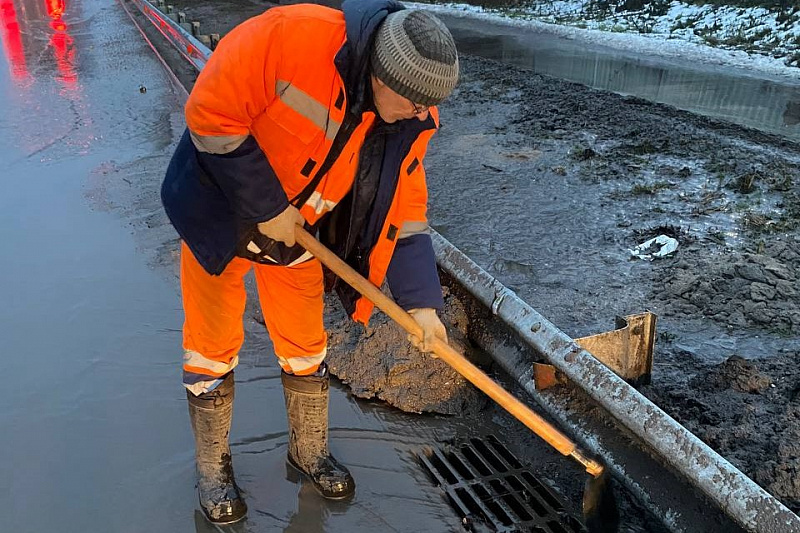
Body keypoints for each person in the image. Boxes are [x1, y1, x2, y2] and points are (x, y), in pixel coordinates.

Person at [161, 0, 459, 524]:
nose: (422, 116)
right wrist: (266, 205)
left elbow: (406, 207)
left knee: (305, 344)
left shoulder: (412, 117)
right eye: (414, 104)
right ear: (381, 76)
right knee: (211, 345)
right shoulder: (289, 39)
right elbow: (211, 111)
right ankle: (213, 468)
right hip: (221, 211)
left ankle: (308, 451)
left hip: (301, 232)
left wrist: (422, 303)